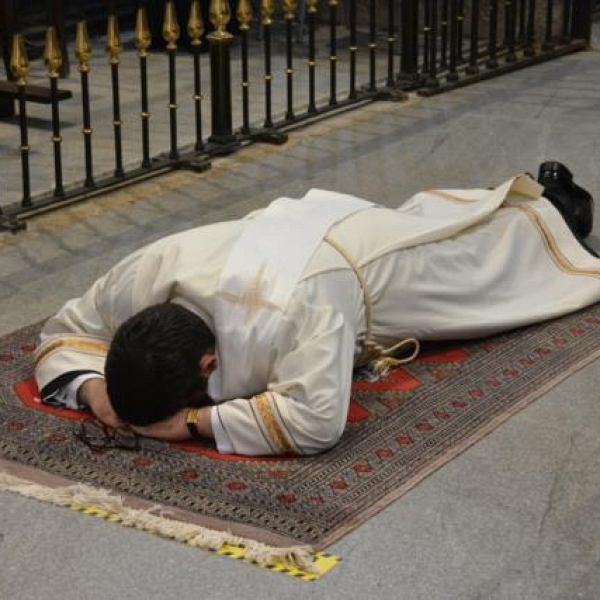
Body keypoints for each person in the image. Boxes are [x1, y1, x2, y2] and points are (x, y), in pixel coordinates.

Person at [35, 163, 599, 456]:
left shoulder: (293, 312)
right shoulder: (150, 274)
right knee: (429, 222)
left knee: (485, 263)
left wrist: (189, 422)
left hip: (365, 272)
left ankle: (561, 210)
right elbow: (70, 328)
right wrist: (94, 391)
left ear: (208, 364)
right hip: (317, 238)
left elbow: (314, 421)